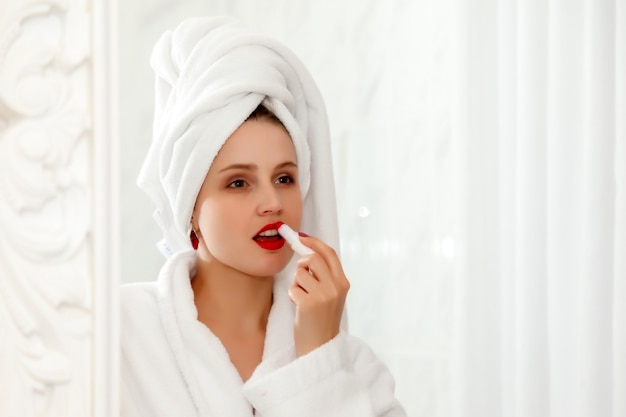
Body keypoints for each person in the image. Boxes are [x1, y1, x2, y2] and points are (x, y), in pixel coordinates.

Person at [120, 16, 407, 417]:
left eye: (284, 178)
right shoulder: (119, 332)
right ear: (191, 209)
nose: (273, 202)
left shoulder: (355, 367)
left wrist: (319, 359)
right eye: (239, 183)